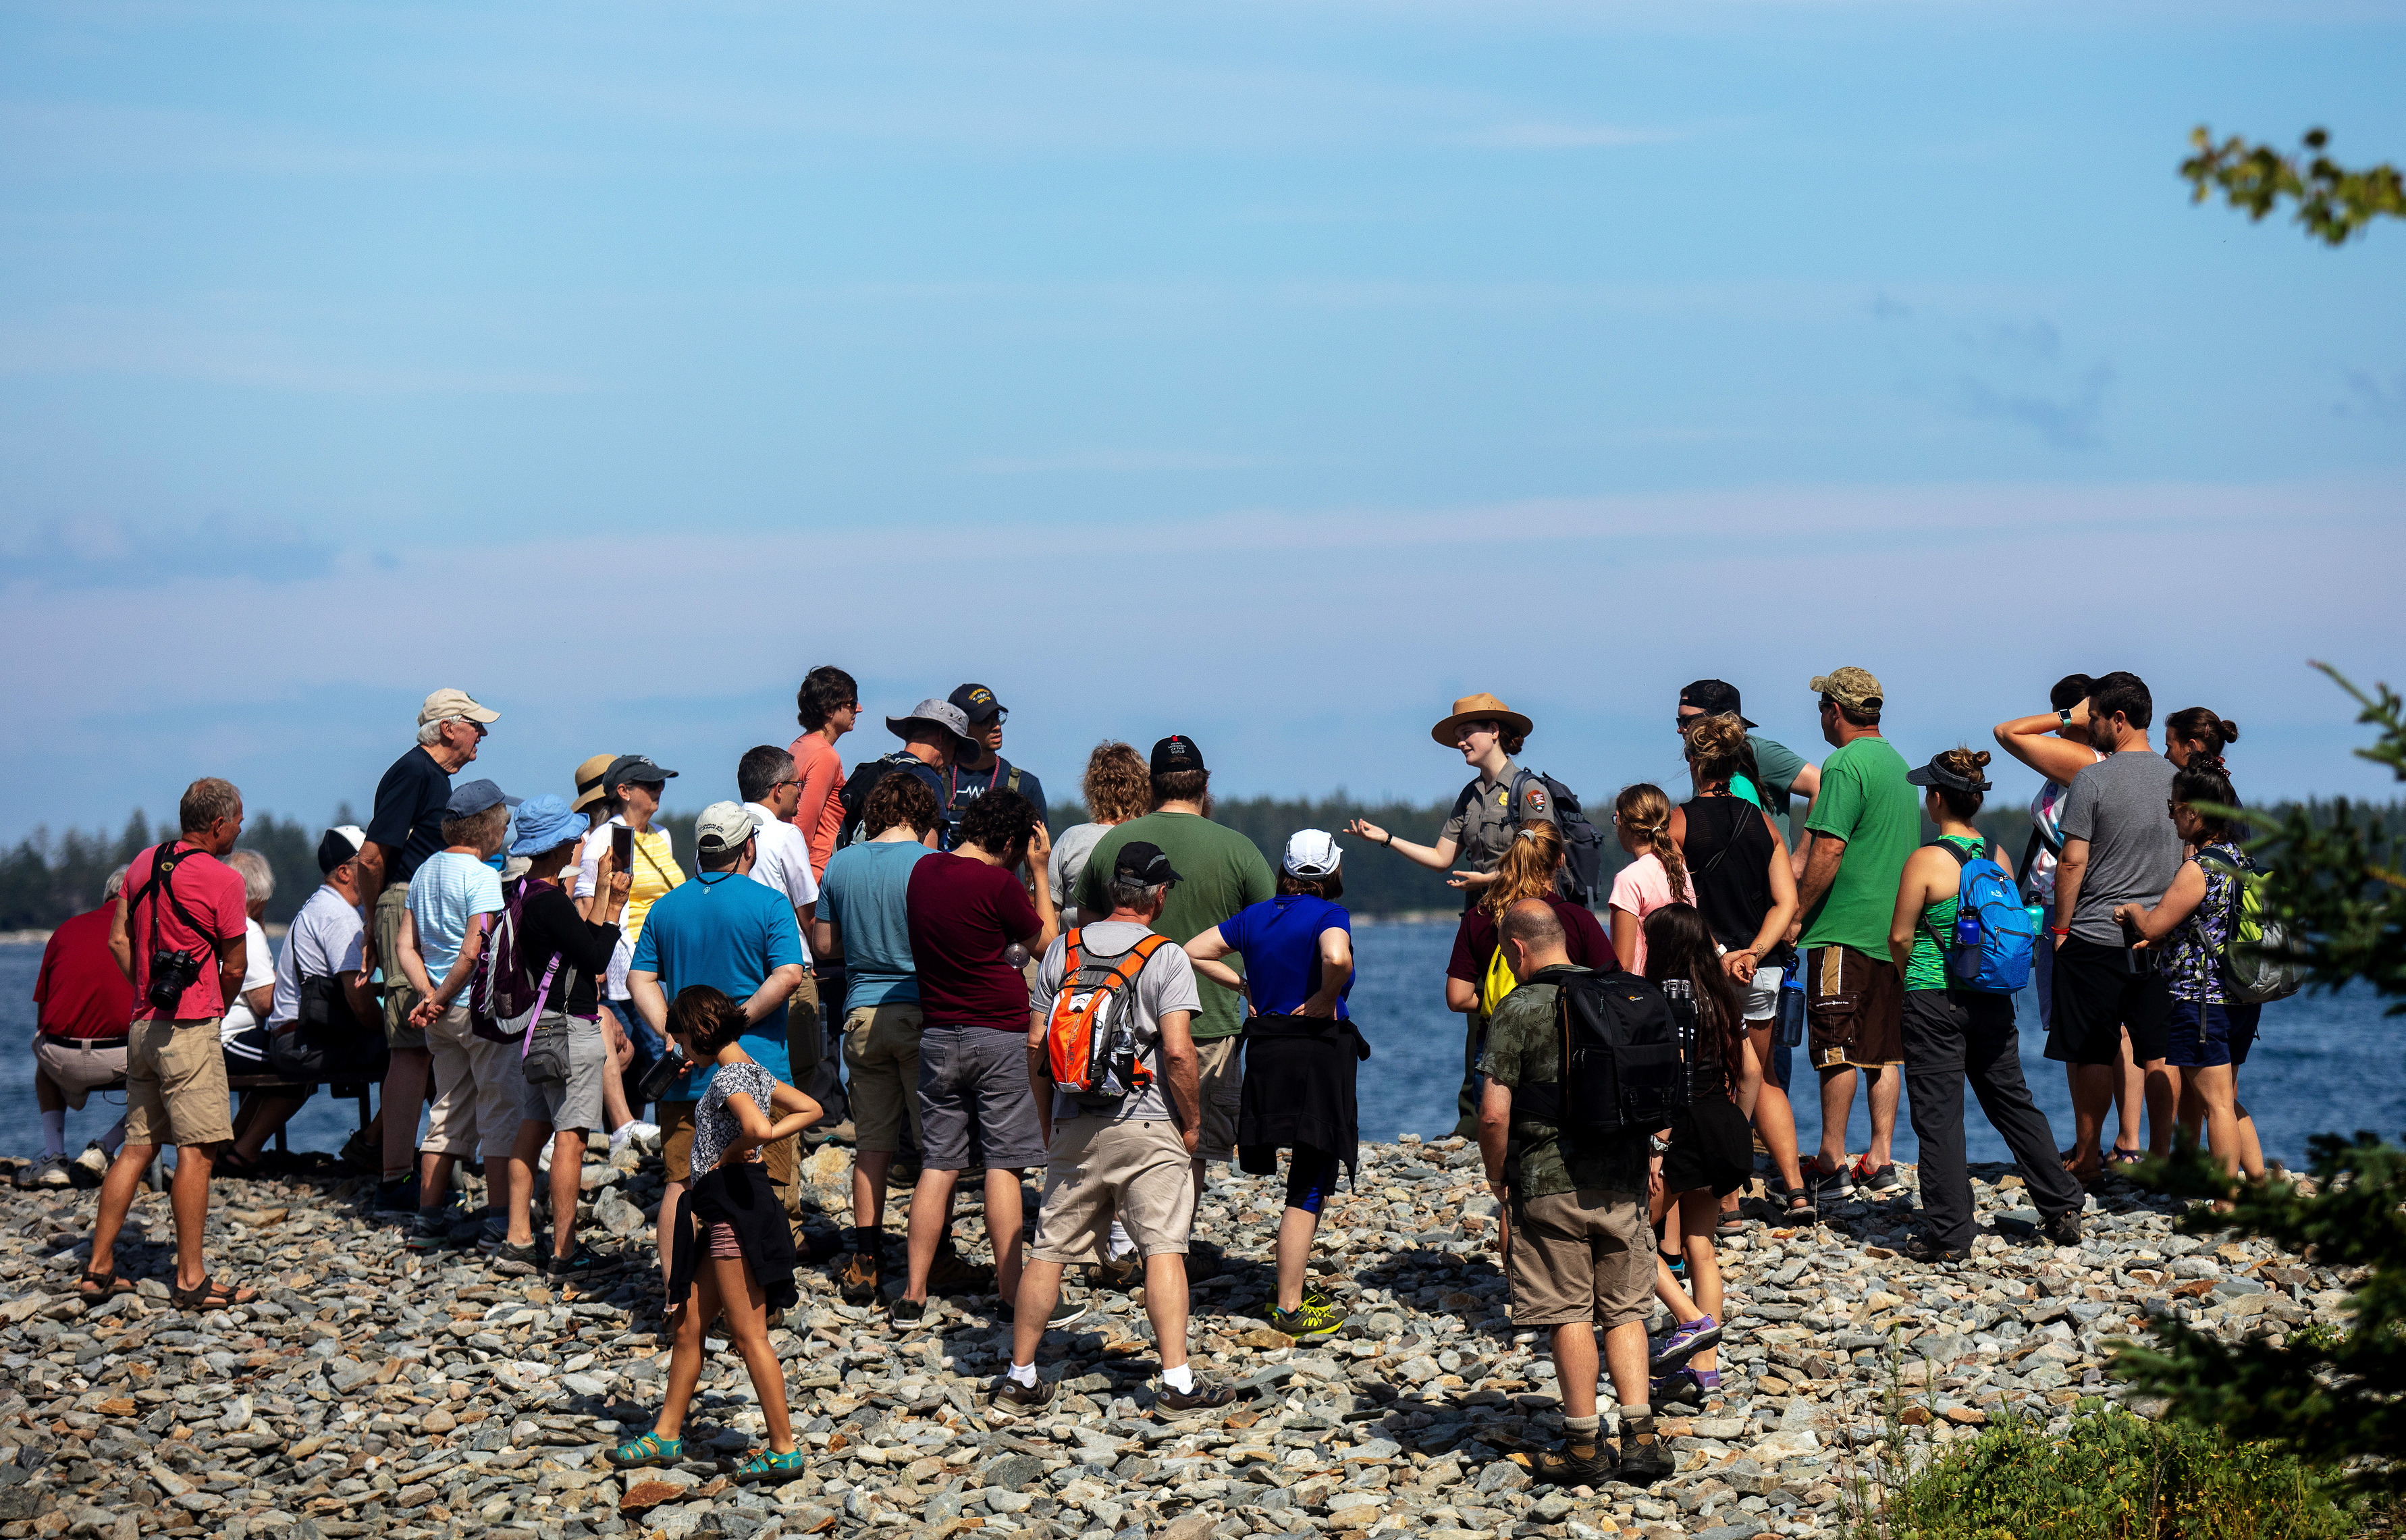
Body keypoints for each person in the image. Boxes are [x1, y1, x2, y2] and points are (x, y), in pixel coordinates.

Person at [998, 841, 1237, 1415]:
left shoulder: (1062, 949)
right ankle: (1177, 1382)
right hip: (1147, 1122)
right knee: (1163, 1248)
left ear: (1112, 891)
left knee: (1049, 1250)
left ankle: (1019, 1377)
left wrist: (1047, 1120)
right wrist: (1192, 1124)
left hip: (1073, 1121)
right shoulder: (1166, 956)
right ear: (1159, 895)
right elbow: (1178, 1053)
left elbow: (1035, 1043)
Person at [1475, 899, 1673, 1487]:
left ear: (1517, 950)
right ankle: (1641, 1440)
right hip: (1622, 1179)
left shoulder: (1518, 1006)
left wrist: (1498, 1177)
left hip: (1548, 1181)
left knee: (1568, 1310)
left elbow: (1493, 1113)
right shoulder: (1621, 994)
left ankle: (1585, 1446)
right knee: (1626, 1307)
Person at [608, 986, 820, 1485]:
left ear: (700, 1032)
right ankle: (666, 1434)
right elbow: (811, 1108)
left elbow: (757, 1127)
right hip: (728, 1211)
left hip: (732, 1216)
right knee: (688, 1325)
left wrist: (733, 1152)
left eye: (681, 1039)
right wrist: (752, 1140)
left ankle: (784, 1449)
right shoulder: (752, 1070)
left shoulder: (728, 1077)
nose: (680, 1050)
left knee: (748, 1335)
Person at [1887, 749, 2086, 1262]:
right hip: (1994, 998)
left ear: (1937, 798)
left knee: (1939, 1116)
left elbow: (1900, 936)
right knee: (2011, 1101)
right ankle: (2062, 1204)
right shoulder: (1996, 856)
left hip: (1935, 999)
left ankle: (1951, 1233)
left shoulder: (1926, 860)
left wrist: (1911, 980)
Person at [1075, 737, 1275, 1214]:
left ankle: (1127, 1239)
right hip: (1209, 1023)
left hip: (1123, 1024)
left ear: (1151, 786)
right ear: (1204, 786)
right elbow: (1272, 932)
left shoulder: (1113, 844)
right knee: (1193, 1144)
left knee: (1127, 1137)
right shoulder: (1239, 849)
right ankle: (1174, 1239)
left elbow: (1086, 932)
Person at [82, 778, 255, 1309]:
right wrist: (217, 1006)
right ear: (218, 823)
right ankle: (191, 1280)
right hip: (190, 1027)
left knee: (137, 1147)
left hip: (143, 1024)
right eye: (238, 818)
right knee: (197, 1151)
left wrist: (143, 986)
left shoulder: (142, 862)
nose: (241, 827)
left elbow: (117, 938)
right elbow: (236, 965)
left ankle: (97, 1268)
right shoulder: (225, 879)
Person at [1188, 830, 1361, 1340]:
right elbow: (1337, 958)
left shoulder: (1256, 916)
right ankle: (1289, 1306)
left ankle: (1288, 1286)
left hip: (1266, 1049)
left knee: (1303, 1174)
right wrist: (1326, 997)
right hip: (1316, 1051)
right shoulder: (1330, 914)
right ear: (1330, 871)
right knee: (1310, 1177)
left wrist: (1245, 984)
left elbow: (1194, 950)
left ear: (1285, 869)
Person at [894, 789, 1058, 1326]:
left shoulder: (923, 873)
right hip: (1000, 1032)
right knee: (1003, 1164)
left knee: (938, 1163)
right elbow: (1048, 945)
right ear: (1010, 842)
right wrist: (1039, 873)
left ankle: (914, 1292)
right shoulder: (998, 883)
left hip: (939, 1033)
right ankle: (1010, 1293)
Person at [629, 803, 810, 1285]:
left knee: (681, 1185)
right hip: (755, 1070)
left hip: (686, 1073)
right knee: (762, 1187)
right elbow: (789, 974)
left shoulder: (666, 907)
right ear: (748, 847)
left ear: (701, 852)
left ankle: (677, 1297)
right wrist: (735, 1021)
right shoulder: (769, 903)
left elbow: (638, 978)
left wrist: (676, 1034)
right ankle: (754, 1303)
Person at [1993, 674, 2149, 1163]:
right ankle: (2110, 1141)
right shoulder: (2088, 766)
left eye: (2067, 719)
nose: (2055, 730)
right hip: (2058, 908)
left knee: (2089, 1033)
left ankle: (2106, 1143)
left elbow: (2008, 732)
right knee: (2094, 1031)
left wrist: (2069, 715)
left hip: (2074, 914)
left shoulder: (2086, 764)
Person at [360, 687, 498, 1211]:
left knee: (429, 1039)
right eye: (475, 725)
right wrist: (376, 918)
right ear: (447, 728)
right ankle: (395, 1174)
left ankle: (430, 1166)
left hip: (413, 900)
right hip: (404, 900)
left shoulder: (432, 777)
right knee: (410, 1045)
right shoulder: (416, 772)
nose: (482, 734)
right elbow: (372, 856)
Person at [2047, 671, 2182, 1184]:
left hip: (2095, 934)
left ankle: (2087, 1157)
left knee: (2093, 1049)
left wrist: (2061, 930)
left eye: (2097, 717)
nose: (2092, 726)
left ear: (2119, 720)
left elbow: (2072, 862)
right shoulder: (2177, 780)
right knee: (2159, 1050)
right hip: (2160, 936)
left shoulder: (2093, 779)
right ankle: (2161, 1155)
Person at [1669, 715, 1807, 1219]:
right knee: (1763, 1076)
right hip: (1762, 969)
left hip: (1710, 972)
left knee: (1718, 1080)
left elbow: (1680, 901)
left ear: (1694, 762)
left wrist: (1723, 954)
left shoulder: (1679, 822)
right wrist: (1754, 951)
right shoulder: (1763, 821)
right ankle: (1795, 1188)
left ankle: (1726, 1199)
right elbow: (1786, 901)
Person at [1792, 667, 1918, 1204]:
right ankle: (1882, 1158)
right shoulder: (1898, 764)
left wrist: (1796, 913)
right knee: (1884, 1049)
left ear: (1835, 711)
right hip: (1893, 932)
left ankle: (1832, 1160)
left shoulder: (1844, 764)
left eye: (1822, 707)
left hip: (1843, 928)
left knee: (1837, 1046)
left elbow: (1829, 847)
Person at [815, 771, 940, 1303]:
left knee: (872, 1142)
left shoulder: (841, 864)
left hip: (861, 1012)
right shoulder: (930, 864)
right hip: (920, 1009)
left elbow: (825, 944)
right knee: (935, 1147)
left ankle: (866, 1258)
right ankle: (936, 1255)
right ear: (922, 815)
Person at [497, 795, 631, 1277]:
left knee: (532, 1128)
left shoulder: (523, 892)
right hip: (571, 1027)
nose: (579, 843)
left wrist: (603, 894)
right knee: (571, 1139)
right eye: (572, 838)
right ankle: (564, 1251)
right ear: (557, 847)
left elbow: (577, 944)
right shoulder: (552, 901)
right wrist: (615, 910)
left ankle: (518, 1239)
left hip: (538, 1027)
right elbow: (594, 958)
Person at [2110, 762, 2262, 1181]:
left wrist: (2132, 911)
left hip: (2202, 1002)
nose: (2171, 815)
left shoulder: (2199, 869)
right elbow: (2210, 926)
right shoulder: (2240, 860)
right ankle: (2258, 1181)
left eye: (2173, 806)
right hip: (2240, 997)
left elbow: (2152, 926)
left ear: (2194, 812)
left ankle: (2226, 1201)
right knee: (2226, 1099)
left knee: (2215, 1104)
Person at [1642, 905, 1757, 1405]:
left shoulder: (1657, 1000)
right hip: (1722, 1124)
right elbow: (1751, 1072)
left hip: (1679, 1131)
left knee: (1628, 1234)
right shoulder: (1722, 999)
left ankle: (1690, 1320)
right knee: (1701, 1247)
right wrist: (1738, 1124)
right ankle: (1706, 1369)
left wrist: (1657, 1146)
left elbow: (1669, 1080)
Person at [396, 779, 518, 1252]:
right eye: (504, 822)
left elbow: (405, 946)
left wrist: (428, 995)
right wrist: (444, 996)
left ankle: (427, 1219)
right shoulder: (483, 876)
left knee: (446, 1107)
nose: (506, 831)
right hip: (476, 1009)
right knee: (499, 1107)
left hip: (440, 1015)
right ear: (487, 827)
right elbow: (473, 951)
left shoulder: (423, 871)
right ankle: (499, 1218)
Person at [1442, 822, 1615, 1140]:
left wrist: (1502, 1001)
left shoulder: (1480, 916)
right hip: (1563, 1048)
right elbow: (1610, 987)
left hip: (1495, 1048)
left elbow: (1458, 997)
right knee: (1561, 1146)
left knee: (1502, 1146)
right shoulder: (1577, 919)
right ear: (1560, 860)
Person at [241, 827, 383, 1177]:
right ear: (345, 872)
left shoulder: (318, 904)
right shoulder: (340, 917)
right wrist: (390, 1028)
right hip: (305, 1041)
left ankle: (241, 1151)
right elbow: (359, 1001)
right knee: (415, 1054)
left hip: (294, 1036)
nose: (375, 871)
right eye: (366, 865)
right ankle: (373, 1144)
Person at [1345, 693, 1555, 891]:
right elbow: (1440, 858)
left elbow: (1542, 860)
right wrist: (1387, 838)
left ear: (1494, 730)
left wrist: (1488, 879)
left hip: (1522, 910)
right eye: (1458, 737)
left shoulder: (1529, 790)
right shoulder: (1469, 796)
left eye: (1467, 733)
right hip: (1481, 910)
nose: (1460, 743)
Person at [577, 754, 685, 1125]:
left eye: (661, 782)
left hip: (664, 958)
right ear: (623, 791)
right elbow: (587, 903)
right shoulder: (607, 839)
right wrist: (593, 964)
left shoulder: (661, 835)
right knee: (659, 1047)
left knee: (648, 1051)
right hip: (629, 961)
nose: (660, 789)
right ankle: (669, 1132)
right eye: (650, 784)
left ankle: (648, 1133)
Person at [739, 745, 834, 1150]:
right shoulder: (786, 834)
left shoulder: (721, 829)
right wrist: (822, 955)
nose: (801, 793)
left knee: (748, 1076)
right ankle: (784, 1167)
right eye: (799, 785)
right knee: (796, 1074)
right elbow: (807, 911)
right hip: (788, 970)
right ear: (778, 789)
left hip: (741, 970)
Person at [24, 866, 134, 1190]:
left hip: (61, 1057)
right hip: (122, 1058)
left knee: (43, 1059)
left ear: (107, 896)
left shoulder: (66, 930)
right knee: (170, 1074)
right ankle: (104, 1149)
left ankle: (54, 1158)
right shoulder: (145, 932)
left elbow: (43, 1012)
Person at [568, 753, 651, 1150]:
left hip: (615, 958)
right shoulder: (596, 842)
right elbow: (584, 902)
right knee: (624, 1045)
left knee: (627, 1049)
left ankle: (620, 1134)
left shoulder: (610, 838)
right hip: (609, 961)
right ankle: (623, 1131)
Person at [214, 850, 292, 1174]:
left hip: (212, 1035)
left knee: (282, 1060)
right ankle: (244, 1151)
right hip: (229, 1039)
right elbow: (266, 1002)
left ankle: (230, 1144)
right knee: (298, 1064)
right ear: (258, 893)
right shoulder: (246, 928)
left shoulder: (216, 920)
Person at [1674, 679, 1821, 826]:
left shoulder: (1757, 750)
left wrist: (1810, 841)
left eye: (1687, 720)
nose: (1680, 729)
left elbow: (1819, 785)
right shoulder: (1699, 758)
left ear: (1716, 720)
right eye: (1679, 721)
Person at [836, 699, 965, 851]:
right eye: (957, 749)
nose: (954, 762)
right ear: (942, 736)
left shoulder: (878, 770)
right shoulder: (925, 780)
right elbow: (927, 855)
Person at [1050, 742, 1150, 929]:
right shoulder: (1148, 841)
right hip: (1139, 945)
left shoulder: (1071, 839)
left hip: (1075, 945)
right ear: (1143, 788)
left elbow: (1049, 916)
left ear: (1092, 788)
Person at [944, 683, 1049, 845]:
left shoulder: (1025, 785)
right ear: (961, 726)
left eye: (996, 718)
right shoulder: (938, 779)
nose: (996, 726)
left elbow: (1038, 850)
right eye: (985, 720)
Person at [1606, 784, 1690, 975]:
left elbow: (1624, 966)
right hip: (1680, 987)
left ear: (1620, 820)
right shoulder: (1680, 871)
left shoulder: (1630, 879)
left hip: (1642, 990)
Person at [788, 665, 859, 879]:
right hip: (814, 876)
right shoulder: (825, 756)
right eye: (852, 703)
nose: (858, 709)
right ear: (829, 709)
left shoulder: (797, 746)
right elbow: (802, 827)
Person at [2164, 708, 2239, 775]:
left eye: (2170, 747)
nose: (2166, 755)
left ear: (2192, 747)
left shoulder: (2188, 786)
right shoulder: (2220, 784)